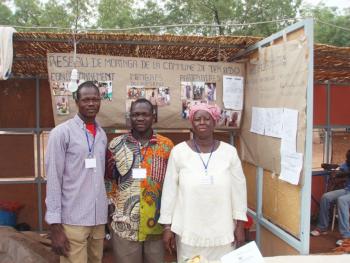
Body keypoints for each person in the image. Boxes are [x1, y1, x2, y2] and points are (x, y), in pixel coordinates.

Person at [159, 103, 248, 262]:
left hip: (223, 230)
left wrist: (240, 225)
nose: (202, 122)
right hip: (189, 230)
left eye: (207, 119)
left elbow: (239, 190)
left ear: (214, 122)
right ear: (191, 123)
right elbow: (169, 191)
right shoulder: (179, 152)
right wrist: (167, 227)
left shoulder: (229, 152)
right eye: (197, 119)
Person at [45, 81, 108, 263]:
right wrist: (55, 226)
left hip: (97, 219)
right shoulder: (61, 133)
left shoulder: (101, 134)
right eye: (86, 99)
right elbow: (54, 179)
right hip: (73, 220)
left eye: (95, 99)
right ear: (76, 101)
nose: (91, 104)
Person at [105, 98, 174, 263]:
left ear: (153, 117)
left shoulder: (167, 146)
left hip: (156, 226)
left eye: (145, 114)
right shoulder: (116, 145)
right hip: (124, 225)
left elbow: (172, 186)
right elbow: (109, 182)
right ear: (130, 117)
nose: (140, 118)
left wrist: (169, 225)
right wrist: (110, 215)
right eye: (136, 115)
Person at [311, 149, 350, 246]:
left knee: (342, 200)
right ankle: (322, 227)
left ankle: (346, 236)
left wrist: (344, 174)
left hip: (347, 193)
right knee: (326, 197)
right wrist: (335, 171)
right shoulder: (347, 164)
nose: (347, 161)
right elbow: (341, 170)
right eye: (347, 159)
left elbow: (346, 173)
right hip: (347, 190)